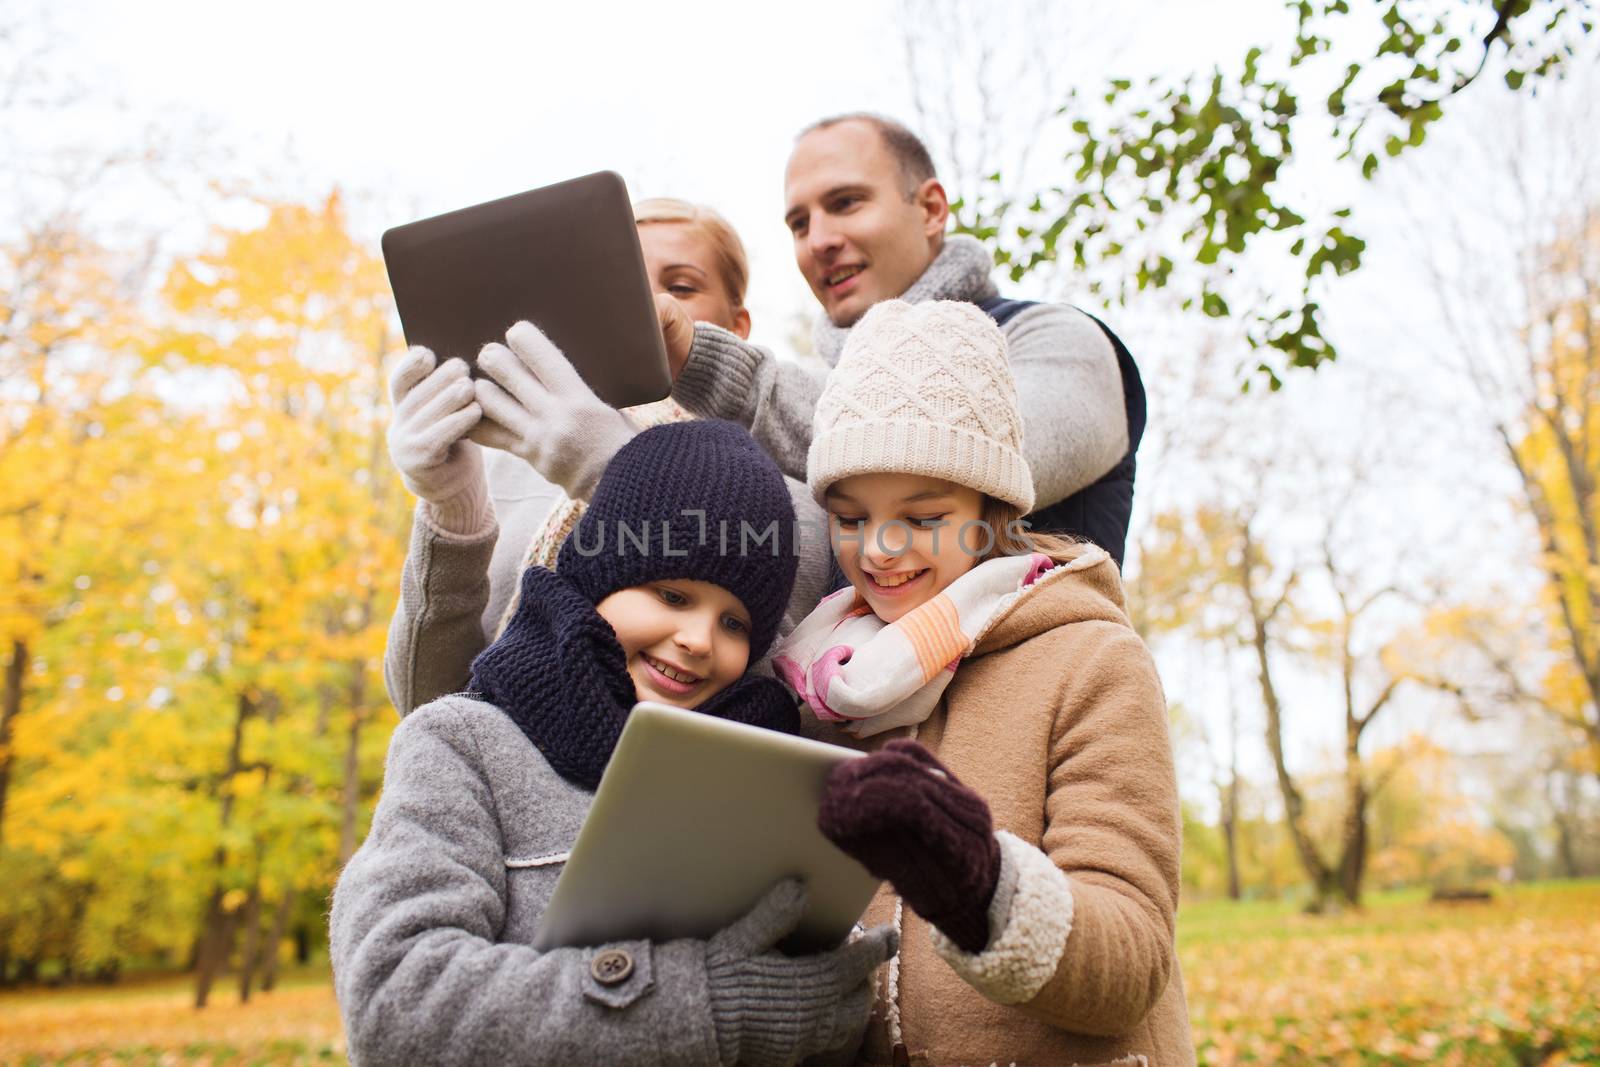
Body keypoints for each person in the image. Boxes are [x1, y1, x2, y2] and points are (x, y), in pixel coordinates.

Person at [332, 418, 896, 1066]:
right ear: (601, 577)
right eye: (672, 593)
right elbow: (394, 1003)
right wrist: (700, 1001)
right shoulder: (462, 745)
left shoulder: (768, 779)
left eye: (733, 621)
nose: (698, 638)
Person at [770, 301, 1194, 1065]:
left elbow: (1132, 961)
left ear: (990, 510)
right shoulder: (816, 683)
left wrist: (983, 886)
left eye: (924, 516)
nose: (881, 549)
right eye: (851, 516)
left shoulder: (1091, 659)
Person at [382, 199, 830, 715]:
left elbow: (775, 699)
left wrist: (618, 475)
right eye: (620, 285)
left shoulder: (786, 494)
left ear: (736, 327)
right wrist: (451, 509)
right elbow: (425, 701)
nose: (648, 306)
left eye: (680, 287)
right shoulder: (506, 466)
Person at [662, 112, 1146, 568]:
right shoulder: (812, 402)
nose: (819, 241)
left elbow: (947, 450)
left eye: (846, 203)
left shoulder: (1058, 340)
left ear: (932, 209)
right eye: (799, 224)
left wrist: (705, 364)